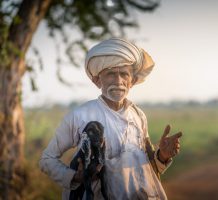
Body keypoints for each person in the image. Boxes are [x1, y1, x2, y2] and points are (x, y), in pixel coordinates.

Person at [39, 38, 183, 200]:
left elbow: (149, 167)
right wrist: (76, 177)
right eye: (110, 74)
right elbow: (47, 159)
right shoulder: (80, 116)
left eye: (124, 74)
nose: (118, 81)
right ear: (97, 80)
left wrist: (163, 155)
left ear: (132, 81)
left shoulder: (138, 115)